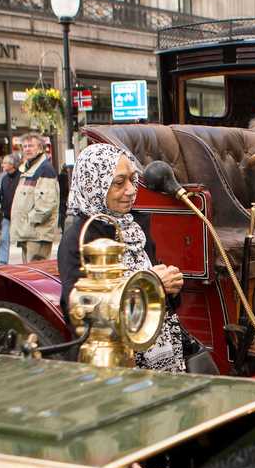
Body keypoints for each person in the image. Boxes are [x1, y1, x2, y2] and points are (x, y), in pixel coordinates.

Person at [59, 143, 187, 373]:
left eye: (132, 179)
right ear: (94, 185)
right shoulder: (79, 238)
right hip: (114, 361)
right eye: (119, 183)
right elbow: (79, 314)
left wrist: (172, 287)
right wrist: (153, 284)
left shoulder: (136, 225)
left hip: (160, 349)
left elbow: (161, 300)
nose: (130, 190)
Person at [10, 132, 60, 262]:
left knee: (36, 275)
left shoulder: (44, 169)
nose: (27, 149)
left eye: (31, 146)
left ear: (40, 148)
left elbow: (46, 205)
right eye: (25, 146)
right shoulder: (29, 169)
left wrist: (28, 221)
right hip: (29, 233)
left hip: (37, 234)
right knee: (29, 273)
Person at [0, 154, 20, 264]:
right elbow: (0, 194)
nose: (2, 165)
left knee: (24, 240)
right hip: (7, 215)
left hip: (19, 214)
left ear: (12, 165)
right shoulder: (3, 178)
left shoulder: (21, 177)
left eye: (5, 163)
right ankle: (2, 261)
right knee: (4, 238)